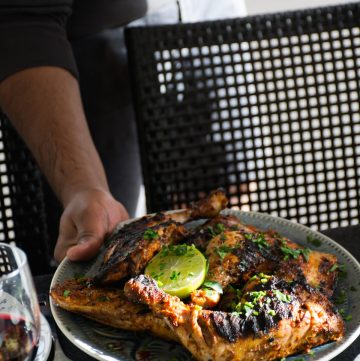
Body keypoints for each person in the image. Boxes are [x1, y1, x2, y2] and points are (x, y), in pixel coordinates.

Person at [0, 0, 245, 265]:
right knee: (104, 243)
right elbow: (22, 19)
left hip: (209, 15)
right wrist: (84, 186)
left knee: (227, 225)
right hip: (88, 43)